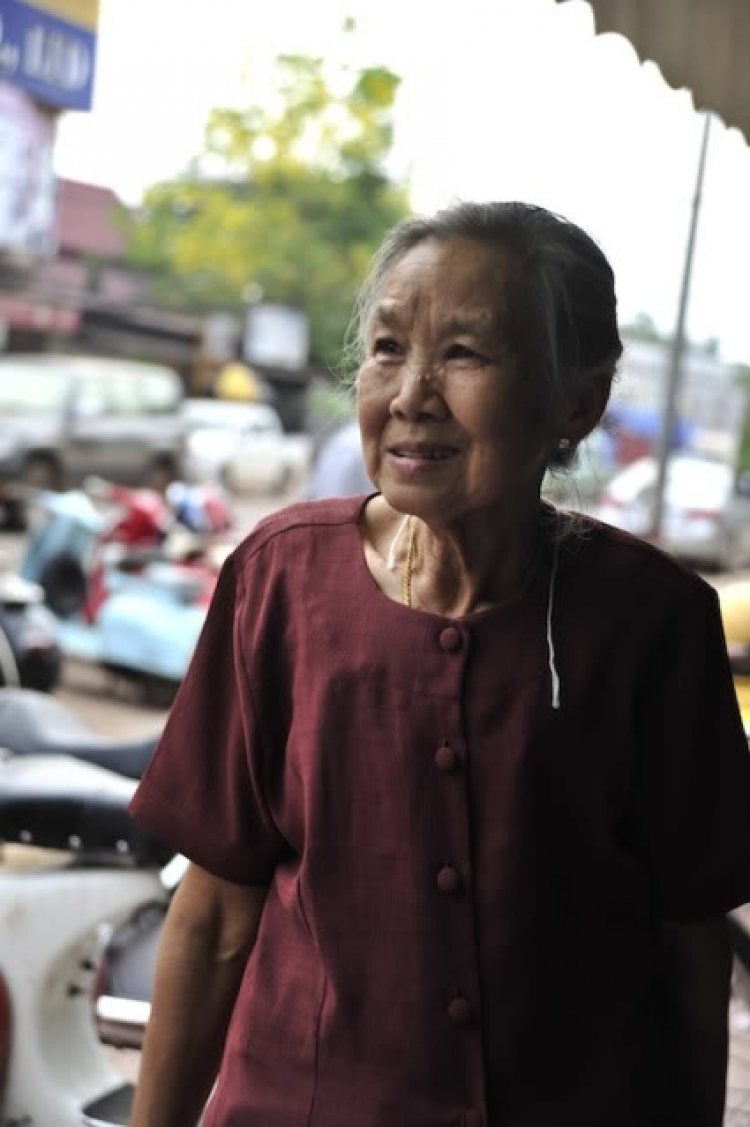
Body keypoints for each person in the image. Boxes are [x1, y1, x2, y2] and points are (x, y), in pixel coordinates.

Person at [128, 201, 750, 1127]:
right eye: (387, 348)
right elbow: (215, 916)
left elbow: (692, 941)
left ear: (577, 401)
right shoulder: (279, 581)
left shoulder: (655, 624)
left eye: (464, 354)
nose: (412, 392)